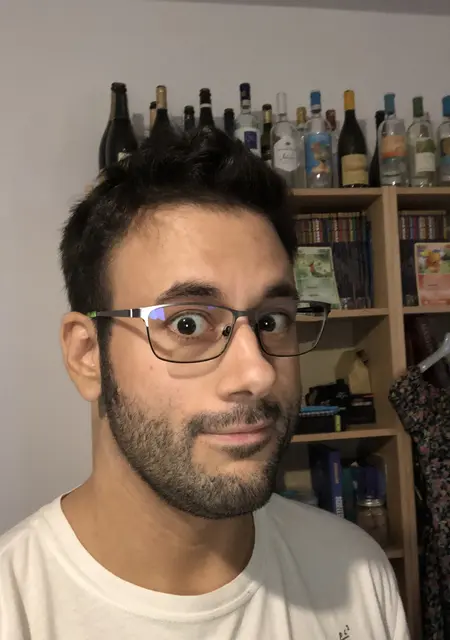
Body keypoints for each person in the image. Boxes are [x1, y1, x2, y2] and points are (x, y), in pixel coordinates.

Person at [0, 128, 409, 639]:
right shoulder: (16, 608)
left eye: (271, 320)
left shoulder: (356, 574)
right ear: (88, 356)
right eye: (188, 323)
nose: (259, 373)